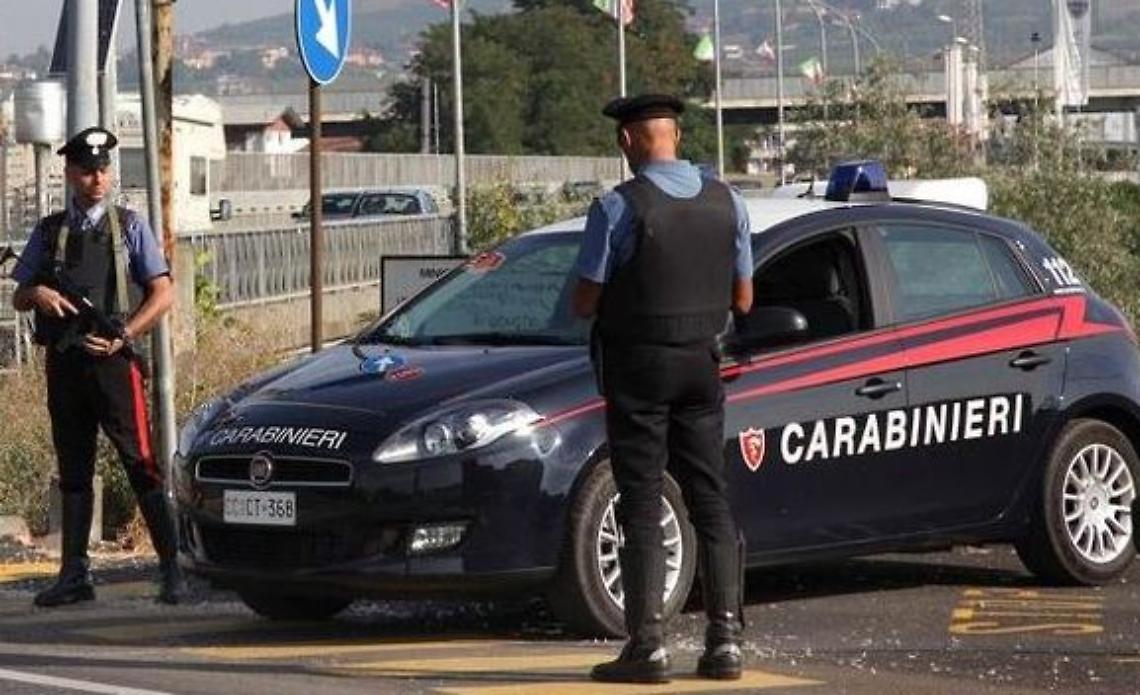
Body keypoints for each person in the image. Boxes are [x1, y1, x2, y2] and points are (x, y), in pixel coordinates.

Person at [573, 94, 753, 683]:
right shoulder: (729, 200)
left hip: (639, 370)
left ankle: (647, 646)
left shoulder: (617, 207)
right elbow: (744, 298)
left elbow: (585, 300)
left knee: (642, 499)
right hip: (703, 366)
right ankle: (725, 641)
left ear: (627, 141)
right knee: (710, 496)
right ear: (675, 136)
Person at [10, 126, 185, 606]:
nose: (97, 179)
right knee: (74, 468)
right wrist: (38, 294)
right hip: (65, 363)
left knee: (140, 462)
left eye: (103, 170)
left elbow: (163, 292)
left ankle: (172, 568)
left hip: (115, 364)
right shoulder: (49, 232)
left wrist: (125, 334)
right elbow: (19, 293)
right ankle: (74, 575)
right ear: (70, 173)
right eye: (88, 171)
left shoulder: (129, 227)